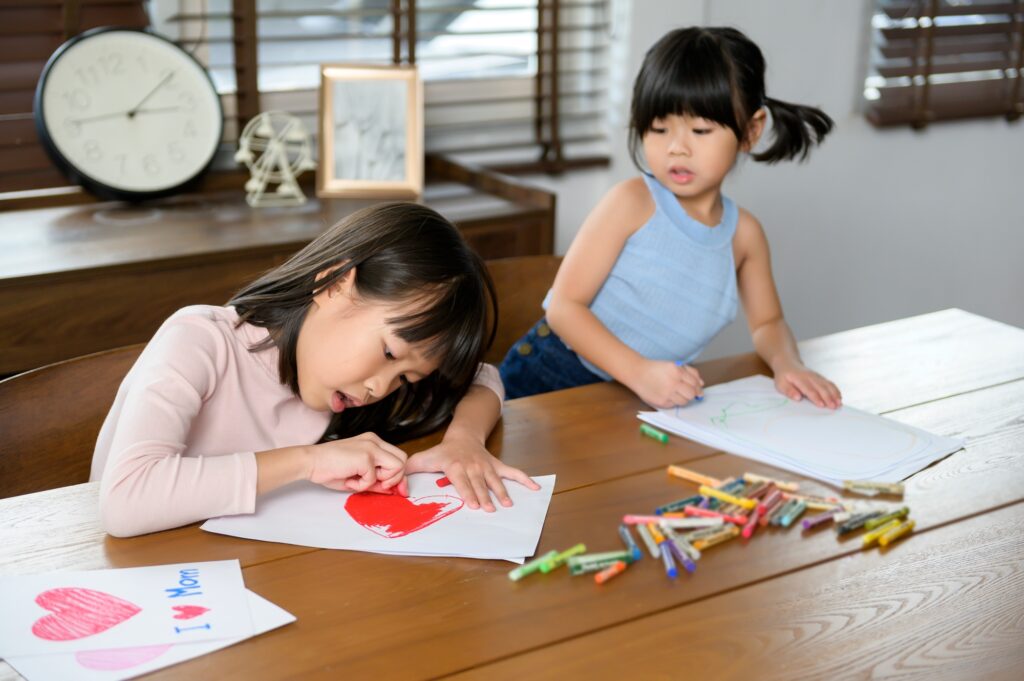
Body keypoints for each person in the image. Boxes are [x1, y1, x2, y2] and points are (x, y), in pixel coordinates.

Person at [93, 202, 538, 537]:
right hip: (141, 583)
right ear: (335, 283)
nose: (381, 388)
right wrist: (309, 461)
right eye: (388, 353)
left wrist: (464, 441)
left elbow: (483, 377)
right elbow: (125, 500)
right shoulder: (199, 342)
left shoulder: (340, 381)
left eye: (406, 378)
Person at [500, 26, 842, 410]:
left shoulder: (744, 235)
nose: (677, 147)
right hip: (551, 375)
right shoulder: (632, 202)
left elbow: (768, 324)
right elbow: (564, 308)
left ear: (751, 131)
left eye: (700, 130)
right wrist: (639, 373)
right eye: (660, 129)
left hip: (642, 397)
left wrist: (788, 364)